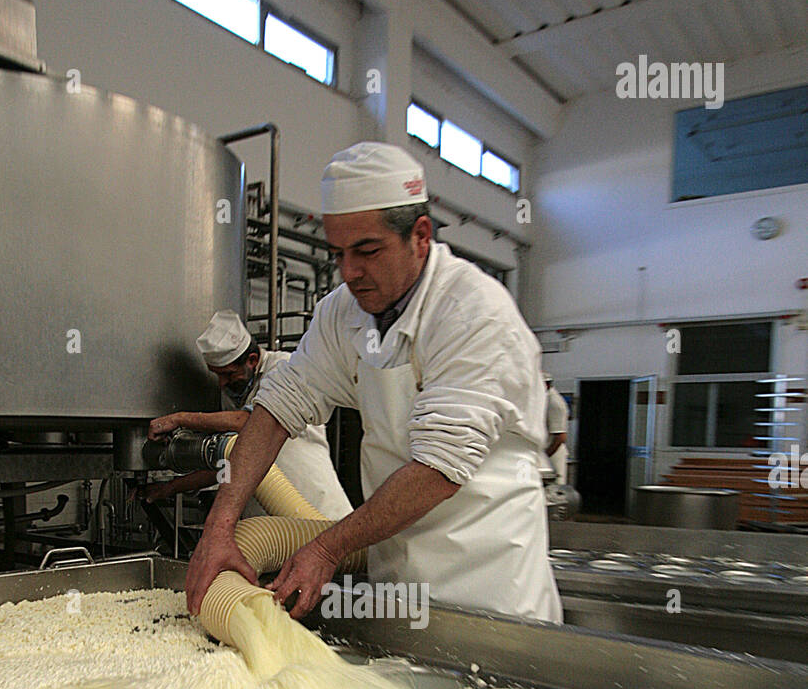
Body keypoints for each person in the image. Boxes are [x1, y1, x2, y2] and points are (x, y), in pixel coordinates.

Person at [186, 142, 562, 625]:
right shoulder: (342, 313)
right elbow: (277, 407)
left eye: (367, 251)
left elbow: (437, 470)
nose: (349, 272)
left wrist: (326, 548)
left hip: (491, 591)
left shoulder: (472, 314)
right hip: (398, 584)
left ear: (419, 235)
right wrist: (219, 526)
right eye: (338, 253)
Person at [146, 312, 352, 520]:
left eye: (227, 374)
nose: (222, 383)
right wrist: (168, 488)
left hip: (315, 512)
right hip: (267, 530)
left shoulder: (286, 368)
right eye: (217, 375)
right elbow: (230, 461)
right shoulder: (232, 395)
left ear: (252, 360)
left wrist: (179, 419)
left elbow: (253, 423)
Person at [542, 373, 569, 484]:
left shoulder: (554, 402)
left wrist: (545, 456)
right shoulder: (544, 399)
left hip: (553, 454)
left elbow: (560, 437)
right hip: (545, 453)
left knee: (554, 488)